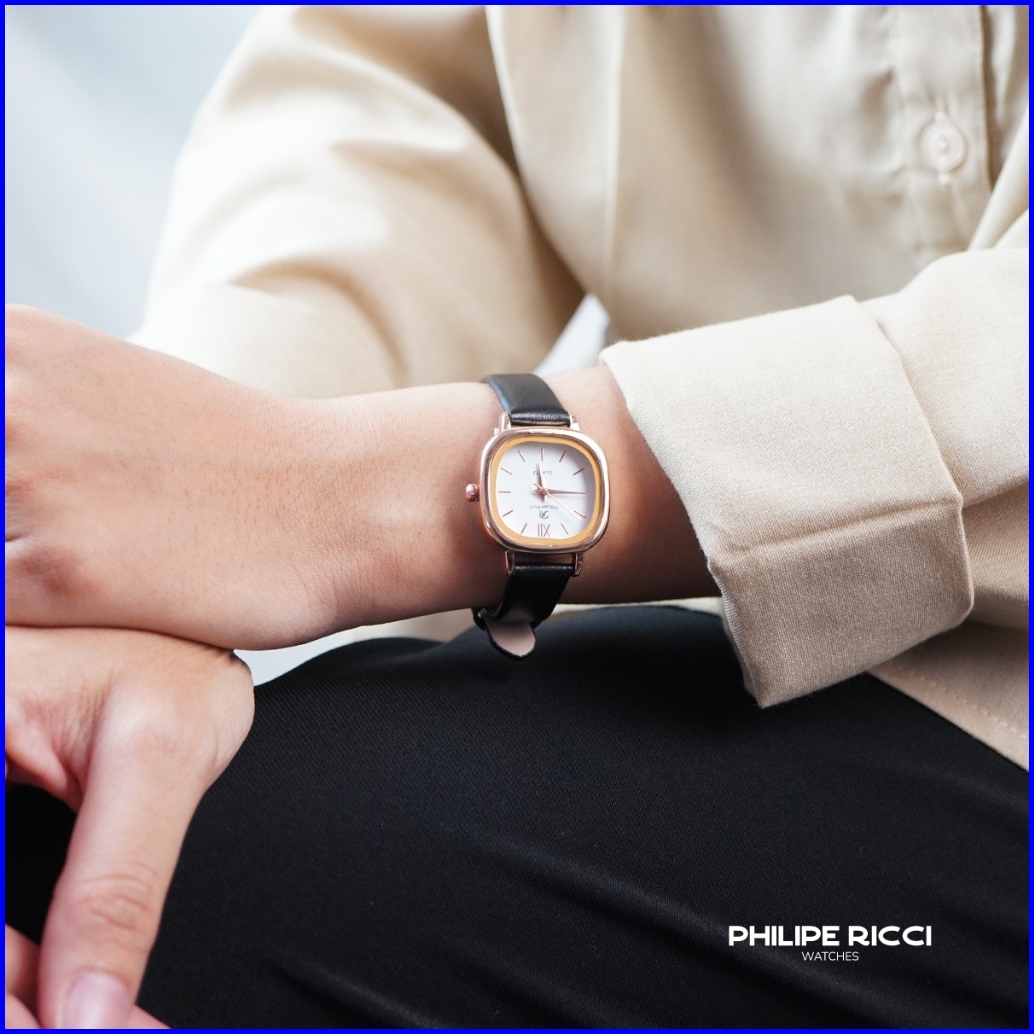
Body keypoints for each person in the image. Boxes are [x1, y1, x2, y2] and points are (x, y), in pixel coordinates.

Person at [5, 6, 1028, 1027]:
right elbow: (422, 96)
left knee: (243, 888)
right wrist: (171, 560)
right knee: (51, 825)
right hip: (678, 630)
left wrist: (327, 494)